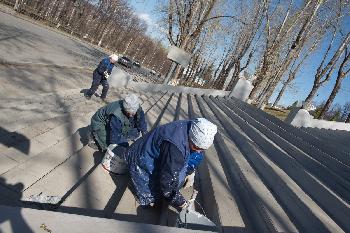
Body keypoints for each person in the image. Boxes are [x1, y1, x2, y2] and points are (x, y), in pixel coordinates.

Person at [122, 118, 217, 210]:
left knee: (174, 175)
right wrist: (180, 202)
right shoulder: (175, 148)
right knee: (147, 195)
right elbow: (168, 184)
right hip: (141, 157)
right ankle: (145, 198)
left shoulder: (195, 127)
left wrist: (191, 170)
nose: (198, 151)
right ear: (191, 138)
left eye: (201, 149)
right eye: (196, 147)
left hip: (158, 150)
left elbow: (196, 153)